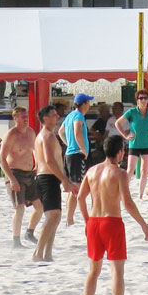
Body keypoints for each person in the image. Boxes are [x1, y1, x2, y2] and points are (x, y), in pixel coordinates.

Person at [76, 134, 148, 295]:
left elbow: (80, 198)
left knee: (93, 270)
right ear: (120, 153)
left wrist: (87, 221)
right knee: (117, 270)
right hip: (112, 222)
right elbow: (127, 203)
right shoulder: (119, 174)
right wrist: (144, 225)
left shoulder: (92, 171)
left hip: (94, 221)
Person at [33, 105, 76, 262]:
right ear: (45, 119)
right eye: (54, 115)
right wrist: (65, 180)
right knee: (52, 217)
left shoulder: (46, 135)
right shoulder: (46, 136)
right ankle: (38, 252)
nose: (57, 117)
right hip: (47, 178)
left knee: (55, 217)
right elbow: (50, 161)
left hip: (48, 178)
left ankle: (47, 253)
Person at [0, 107, 43, 248]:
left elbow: (35, 150)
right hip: (15, 173)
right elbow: (1, 159)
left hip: (29, 174)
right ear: (15, 119)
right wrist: (12, 179)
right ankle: (16, 240)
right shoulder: (11, 135)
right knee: (20, 208)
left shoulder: (31, 132)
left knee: (39, 207)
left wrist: (37, 164)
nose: (26, 119)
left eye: (26, 116)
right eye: (22, 117)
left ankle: (29, 232)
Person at [115, 91, 148, 199]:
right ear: (137, 100)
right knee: (130, 170)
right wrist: (125, 135)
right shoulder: (132, 112)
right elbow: (118, 123)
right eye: (141, 98)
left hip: (147, 144)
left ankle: (140, 195)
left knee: (144, 171)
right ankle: (123, 192)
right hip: (134, 144)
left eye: (145, 98)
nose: (143, 100)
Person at [63, 93, 94, 225]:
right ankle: (69, 218)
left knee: (75, 187)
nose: (89, 105)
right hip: (77, 155)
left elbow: (60, 131)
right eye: (88, 102)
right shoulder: (78, 116)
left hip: (70, 154)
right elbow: (77, 131)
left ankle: (70, 217)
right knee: (77, 187)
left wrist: (68, 144)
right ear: (83, 104)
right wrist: (82, 149)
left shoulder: (69, 115)